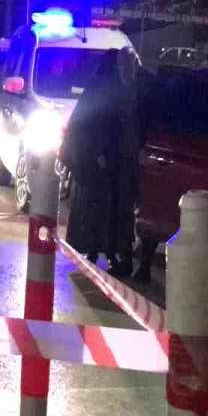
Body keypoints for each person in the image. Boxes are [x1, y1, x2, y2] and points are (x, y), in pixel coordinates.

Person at [64, 47, 146, 277]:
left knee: (116, 211)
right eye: (124, 64)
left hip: (120, 163)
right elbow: (88, 127)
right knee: (101, 209)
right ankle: (100, 251)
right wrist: (97, 154)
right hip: (102, 163)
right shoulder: (106, 90)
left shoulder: (129, 90)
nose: (128, 70)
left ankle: (114, 254)